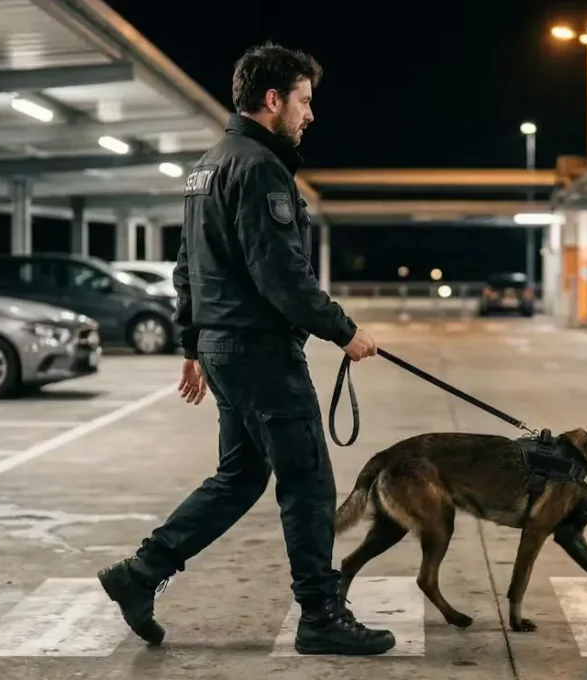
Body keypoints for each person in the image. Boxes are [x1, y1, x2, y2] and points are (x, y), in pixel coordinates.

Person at [96, 41, 395, 657]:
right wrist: (344, 329)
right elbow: (280, 275)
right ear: (272, 99)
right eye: (304, 101)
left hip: (226, 349)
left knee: (239, 477)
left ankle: (140, 573)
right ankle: (319, 615)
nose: (310, 115)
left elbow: (187, 267)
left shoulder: (209, 164)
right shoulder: (259, 167)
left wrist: (193, 344)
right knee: (308, 482)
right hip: (259, 354)